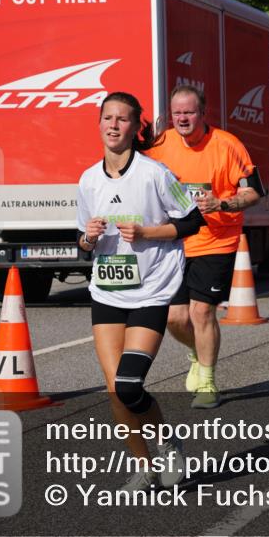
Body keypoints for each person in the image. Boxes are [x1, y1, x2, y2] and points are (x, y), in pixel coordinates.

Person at [77, 92, 205, 491]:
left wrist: (148, 232)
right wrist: (88, 238)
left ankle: (167, 442)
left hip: (151, 289)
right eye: (107, 118)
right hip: (107, 291)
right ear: (99, 124)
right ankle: (144, 466)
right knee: (116, 388)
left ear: (135, 127)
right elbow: (82, 243)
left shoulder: (155, 173)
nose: (113, 125)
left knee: (130, 384)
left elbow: (192, 221)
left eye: (122, 119)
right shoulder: (88, 179)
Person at [146, 84, 263, 409]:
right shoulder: (160, 144)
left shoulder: (227, 145)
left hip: (216, 240)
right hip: (174, 242)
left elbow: (254, 192)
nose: (183, 118)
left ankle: (208, 382)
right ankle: (198, 351)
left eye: (190, 112)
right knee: (173, 318)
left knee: (201, 311)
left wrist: (223, 204)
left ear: (203, 113)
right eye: (178, 113)